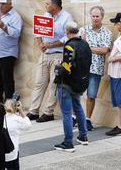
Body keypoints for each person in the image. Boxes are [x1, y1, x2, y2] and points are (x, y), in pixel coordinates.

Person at [28, 0, 73, 123]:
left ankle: (48, 112)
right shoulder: (46, 15)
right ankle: (33, 111)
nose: (45, 5)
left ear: (55, 5)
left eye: (47, 3)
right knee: (39, 83)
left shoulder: (66, 17)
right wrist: (40, 44)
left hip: (58, 54)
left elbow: (68, 37)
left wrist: (52, 44)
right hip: (45, 54)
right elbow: (37, 31)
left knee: (54, 84)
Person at [53, 22, 91, 152]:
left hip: (67, 84)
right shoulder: (85, 44)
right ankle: (83, 136)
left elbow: (67, 68)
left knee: (67, 114)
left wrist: (59, 68)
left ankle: (68, 142)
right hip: (80, 83)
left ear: (67, 32)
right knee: (78, 108)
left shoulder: (69, 45)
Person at [80, 5, 112, 131]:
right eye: (93, 16)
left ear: (102, 17)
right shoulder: (83, 30)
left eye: (97, 16)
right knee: (76, 93)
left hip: (96, 69)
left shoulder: (107, 32)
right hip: (82, 68)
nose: (95, 18)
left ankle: (88, 120)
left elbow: (104, 50)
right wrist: (92, 48)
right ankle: (74, 118)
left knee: (91, 95)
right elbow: (80, 47)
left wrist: (88, 47)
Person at [3, 98, 31, 170]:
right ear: (16, 107)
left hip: (1, 152)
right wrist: (21, 111)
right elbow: (28, 125)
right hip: (12, 151)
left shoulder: (0, 119)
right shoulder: (17, 119)